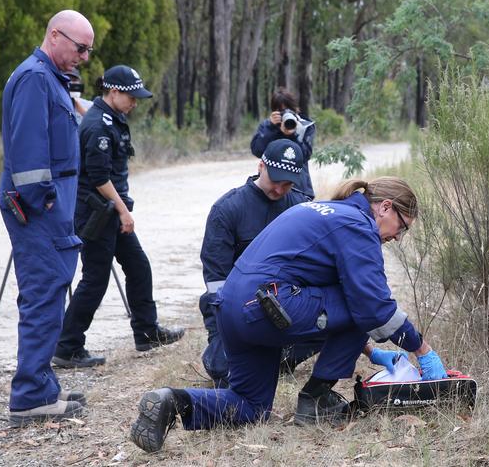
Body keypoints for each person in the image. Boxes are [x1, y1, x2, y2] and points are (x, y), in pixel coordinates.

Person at [130, 176, 448, 452]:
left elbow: (331, 299)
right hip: (267, 307)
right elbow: (372, 307)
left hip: (234, 309)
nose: (397, 237)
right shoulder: (357, 227)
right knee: (364, 305)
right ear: (385, 207)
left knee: (251, 406)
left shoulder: (325, 211)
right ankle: (316, 401)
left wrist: (371, 350)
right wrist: (423, 350)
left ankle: (172, 401)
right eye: (402, 227)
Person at [52, 65, 185, 368]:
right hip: (98, 214)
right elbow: (99, 178)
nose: (135, 102)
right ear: (113, 92)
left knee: (138, 267)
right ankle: (67, 346)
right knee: (95, 280)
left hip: (111, 212)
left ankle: (146, 333)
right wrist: (124, 210)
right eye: (131, 97)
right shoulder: (98, 125)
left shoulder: (113, 118)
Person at [0, 10, 94, 426]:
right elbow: (30, 154)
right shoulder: (35, 78)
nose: (85, 57)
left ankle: (41, 385)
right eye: (80, 47)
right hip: (39, 211)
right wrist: (48, 203)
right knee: (42, 296)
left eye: (88, 50)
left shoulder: (51, 79)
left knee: (51, 293)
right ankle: (31, 396)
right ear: (55, 36)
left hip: (52, 210)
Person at [199, 139, 323, 387]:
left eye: (287, 184)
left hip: (286, 305)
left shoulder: (302, 207)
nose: (279, 189)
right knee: (224, 370)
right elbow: (216, 281)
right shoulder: (228, 209)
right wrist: (224, 329)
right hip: (238, 309)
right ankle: (238, 354)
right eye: (275, 180)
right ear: (261, 166)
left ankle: (280, 357)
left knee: (335, 319)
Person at [250, 88, 315, 199]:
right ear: (274, 111)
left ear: (296, 109)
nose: (286, 114)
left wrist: (292, 134)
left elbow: (305, 155)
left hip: (299, 187)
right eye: (281, 111)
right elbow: (257, 150)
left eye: (289, 110)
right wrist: (271, 129)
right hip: (269, 187)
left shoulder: (305, 126)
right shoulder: (268, 126)